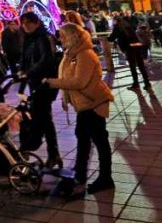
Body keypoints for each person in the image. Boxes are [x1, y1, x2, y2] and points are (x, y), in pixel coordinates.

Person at [44, 23, 115, 194]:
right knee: (83, 140)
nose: (60, 39)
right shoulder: (71, 54)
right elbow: (66, 76)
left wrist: (51, 83)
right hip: (84, 104)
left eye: (62, 35)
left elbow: (79, 82)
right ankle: (80, 173)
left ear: (72, 36)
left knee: (98, 141)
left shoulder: (85, 54)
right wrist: (65, 96)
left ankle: (105, 178)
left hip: (93, 103)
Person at [19, 12, 61, 168]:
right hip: (34, 82)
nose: (26, 26)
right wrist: (21, 73)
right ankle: (53, 153)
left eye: (29, 23)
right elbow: (24, 58)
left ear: (37, 23)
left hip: (45, 83)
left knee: (42, 115)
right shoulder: (28, 39)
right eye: (23, 23)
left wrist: (28, 72)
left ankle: (38, 142)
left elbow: (46, 60)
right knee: (45, 118)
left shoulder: (43, 37)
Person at [110, 16, 152, 90]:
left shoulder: (117, 26)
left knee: (132, 66)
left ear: (115, 20)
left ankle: (136, 83)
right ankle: (147, 83)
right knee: (141, 65)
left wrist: (106, 38)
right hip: (136, 45)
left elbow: (112, 38)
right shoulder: (127, 24)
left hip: (129, 47)